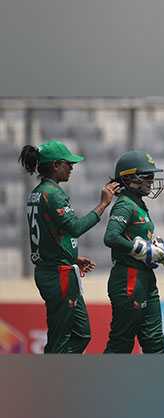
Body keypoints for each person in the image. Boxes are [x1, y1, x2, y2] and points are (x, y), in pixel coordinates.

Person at [19, 140, 119, 353]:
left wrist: (72, 258)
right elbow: (74, 228)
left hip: (58, 269)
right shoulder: (52, 194)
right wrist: (103, 204)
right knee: (60, 338)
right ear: (55, 165)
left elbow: (49, 235)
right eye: (68, 163)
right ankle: (52, 380)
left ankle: (60, 374)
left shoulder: (38, 192)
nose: (72, 167)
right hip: (58, 275)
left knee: (81, 334)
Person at [103, 150, 164, 353]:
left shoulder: (138, 203)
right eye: (148, 176)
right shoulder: (124, 205)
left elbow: (140, 241)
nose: (152, 181)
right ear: (129, 178)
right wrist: (141, 249)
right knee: (121, 342)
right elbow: (110, 237)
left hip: (144, 278)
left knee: (155, 341)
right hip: (128, 278)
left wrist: (157, 249)